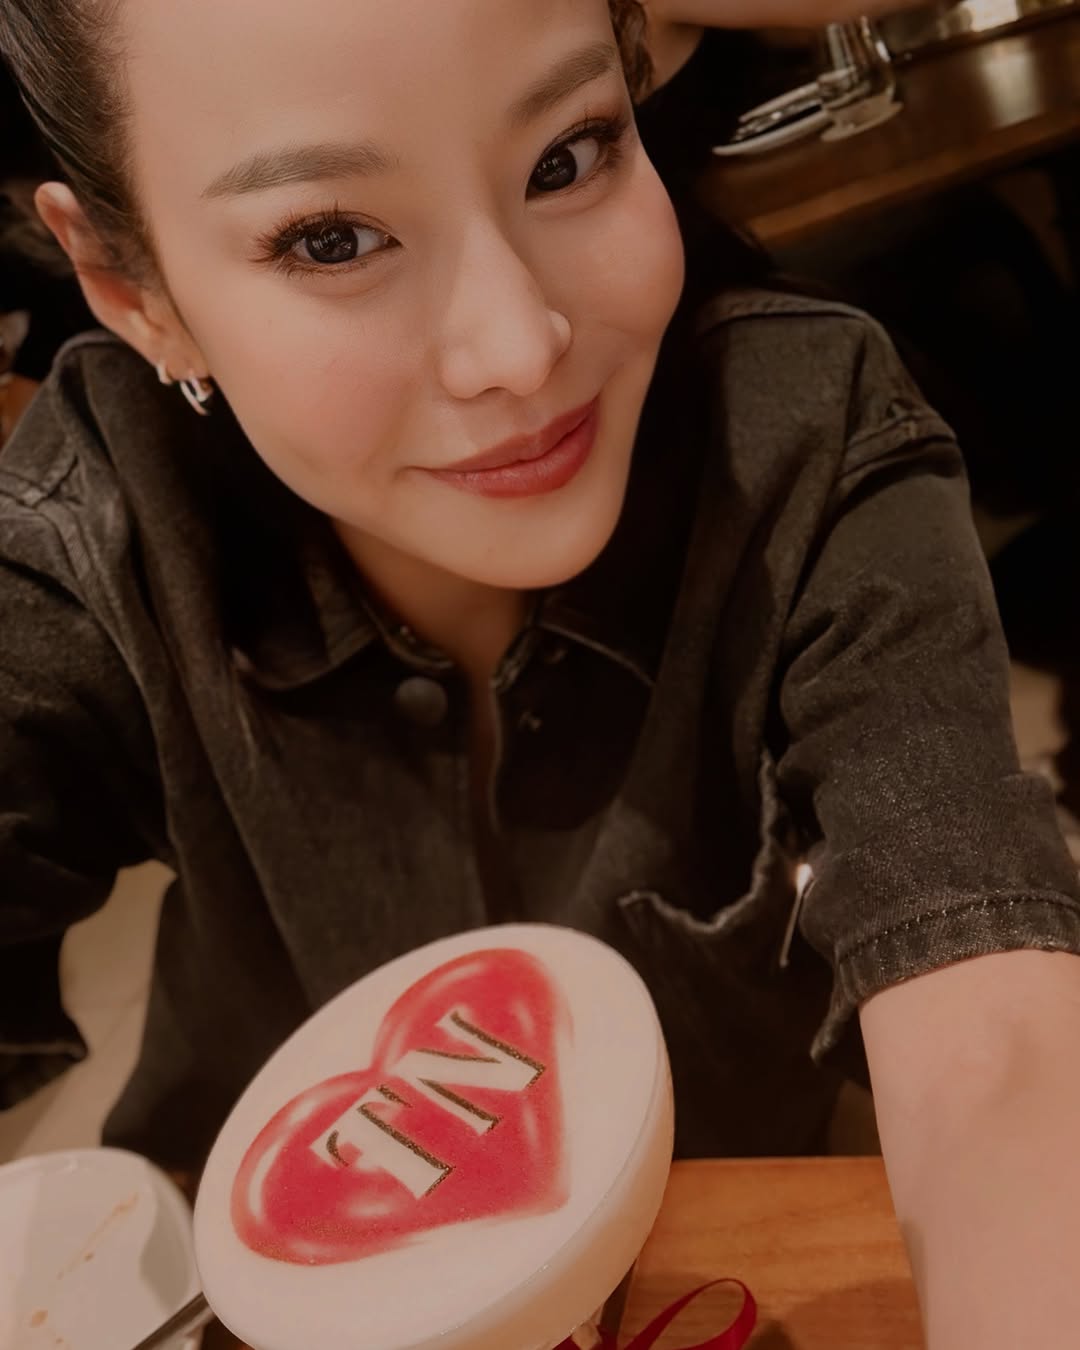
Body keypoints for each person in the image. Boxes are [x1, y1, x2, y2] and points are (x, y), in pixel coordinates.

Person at [1, 1, 1079, 1344]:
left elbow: (988, 1025)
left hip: (708, 1279)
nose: (520, 346)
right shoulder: (90, 534)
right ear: (135, 292)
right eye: (332, 239)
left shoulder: (803, 443)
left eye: (567, 156)